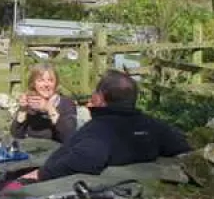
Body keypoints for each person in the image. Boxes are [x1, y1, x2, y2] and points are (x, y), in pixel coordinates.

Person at [37, 70, 191, 181]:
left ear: (99, 98)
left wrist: (37, 175)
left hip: (58, 183)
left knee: (14, 186)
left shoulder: (99, 130)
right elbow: (182, 146)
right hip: (138, 179)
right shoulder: (154, 125)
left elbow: (86, 159)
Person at [11, 64, 78, 144]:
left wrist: (49, 108)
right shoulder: (31, 101)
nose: (46, 85)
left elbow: (68, 136)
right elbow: (16, 135)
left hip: (57, 150)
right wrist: (22, 110)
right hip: (33, 149)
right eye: (41, 80)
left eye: (50, 80)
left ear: (56, 83)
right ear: (34, 84)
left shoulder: (66, 103)